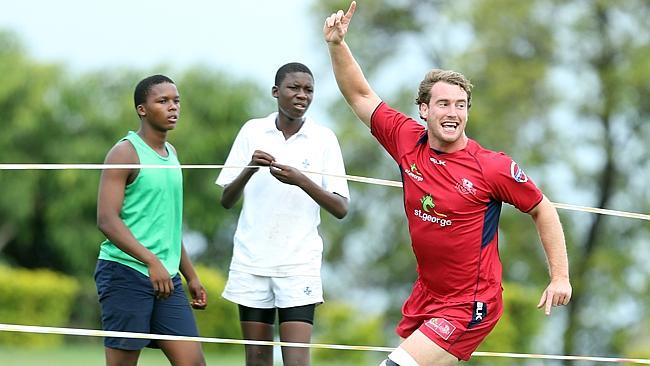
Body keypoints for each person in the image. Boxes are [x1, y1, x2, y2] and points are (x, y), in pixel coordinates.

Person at [323, 3, 572, 365]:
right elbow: (361, 95)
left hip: (470, 304)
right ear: (424, 109)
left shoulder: (492, 167)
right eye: (443, 104)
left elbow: (541, 207)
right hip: (428, 295)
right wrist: (336, 45)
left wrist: (560, 277)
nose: (452, 113)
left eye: (460, 105)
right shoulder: (406, 138)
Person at [216, 62, 350, 366]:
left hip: (298, 264)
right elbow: (226, 199)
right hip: (252, 262)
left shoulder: (324, 138)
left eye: (309, 90)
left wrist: (301, 179)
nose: (302, 95)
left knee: (297, 361)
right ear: (276, 92)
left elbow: (341, 208)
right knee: (257, 359)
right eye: (294, 88)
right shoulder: (252, 130)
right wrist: (249, 169)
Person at [95, 74, 207, 366]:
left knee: (193, 362)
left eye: (176, 101)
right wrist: (151, 261)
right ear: (142, 109)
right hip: (126, 273)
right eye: (163, 101)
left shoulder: (172, 154)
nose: (173, 108)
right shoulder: (124, 152)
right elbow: (107, 219)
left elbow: (168, 225)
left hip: (166, 278)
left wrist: (190, 275)